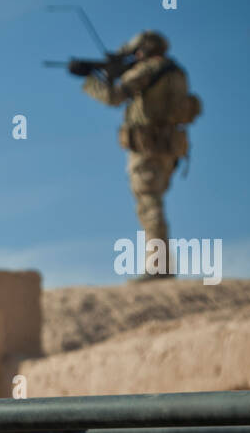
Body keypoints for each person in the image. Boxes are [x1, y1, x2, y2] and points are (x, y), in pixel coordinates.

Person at [79, 30, 199, 279]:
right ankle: (161, 265)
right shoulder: (176, 72)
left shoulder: (147, 71)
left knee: (148, 203)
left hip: (147, 148)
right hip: (170, 149)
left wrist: (90, 80)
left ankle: (159, 267)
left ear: (143, 50)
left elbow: (113, 97)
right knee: (152, 201)